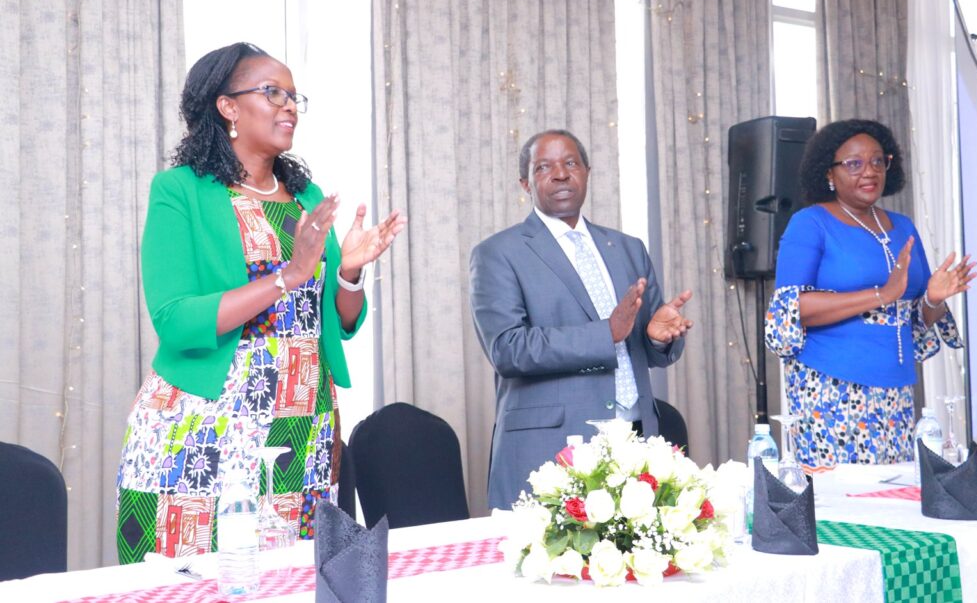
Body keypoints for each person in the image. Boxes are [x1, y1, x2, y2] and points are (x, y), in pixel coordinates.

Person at [115, 42, 406, 563]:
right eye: (272, 92)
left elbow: (337, 321)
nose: (289, 106)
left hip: (300, 422)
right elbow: (176, 321)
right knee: (193, 582)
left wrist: (350, 272)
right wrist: (289, 275)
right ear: (227, 106)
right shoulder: (180, 191)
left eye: (294, 96)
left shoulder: (306, 197)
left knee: (290, 576)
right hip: (205, 425)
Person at [470, 129, 693, 509]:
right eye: (544, 167)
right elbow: (507, 349)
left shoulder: (628, 248)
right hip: (551, 449)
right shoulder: (498, 253)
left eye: (570, 163)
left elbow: (652, 348)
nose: (560, 174)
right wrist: (605, 333)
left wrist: (658, 337)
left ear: (587, 171)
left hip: (635, 442)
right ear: (525, 183)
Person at [766, 119, 975, 469]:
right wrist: (883, 292)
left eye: (878, 161)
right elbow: (793, 308)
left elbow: (916, 319)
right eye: (854, 163)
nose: (869, 171)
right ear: (828, 174)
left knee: (892, 496)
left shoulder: (902, 226)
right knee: (844, 500)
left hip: (896, 386)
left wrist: (934, 299)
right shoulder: (810, 223)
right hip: (831, 386)